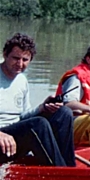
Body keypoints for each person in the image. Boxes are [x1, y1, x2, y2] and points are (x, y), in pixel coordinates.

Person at [0, 33, 74, 167]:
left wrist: (42, 108)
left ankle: (71, 171)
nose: (20, 64)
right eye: (15, 58)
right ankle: (62, 177)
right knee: (38, 125)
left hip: (13, 138)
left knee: (64, 113)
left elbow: (23, 116)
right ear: (5, 54)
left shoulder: (21, 80)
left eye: (25, 60)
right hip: (1, 140)